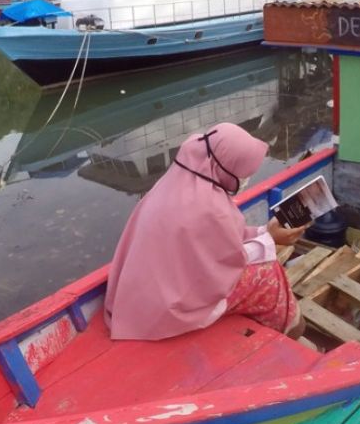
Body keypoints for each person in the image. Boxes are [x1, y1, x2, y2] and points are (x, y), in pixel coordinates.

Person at [105, 123, 307, 341]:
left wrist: (262, 231)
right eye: (244, 173)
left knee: (263, 259)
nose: (246, 179)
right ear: (226, 167)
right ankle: (291, 327)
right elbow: (228, 261)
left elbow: (218, 239)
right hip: (167, 310)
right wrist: (270, 239)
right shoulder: (211, 208)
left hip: (138, 297)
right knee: (268, 272)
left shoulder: (175, 181)